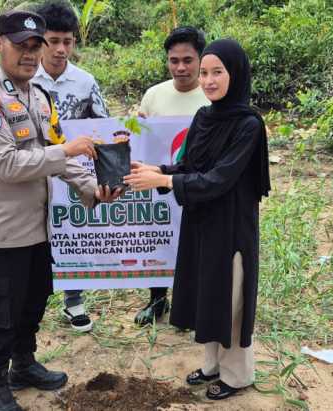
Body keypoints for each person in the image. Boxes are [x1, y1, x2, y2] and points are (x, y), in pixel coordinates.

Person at [0, 10, 120, 411]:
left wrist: (93, 191)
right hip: (2, 231)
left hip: (37, 226)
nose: (30, 55)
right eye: (21, 46)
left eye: (36, 46)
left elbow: (59, 160)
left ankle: (24, 364)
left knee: (32, 301)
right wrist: (64, 149)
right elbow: (9, 165)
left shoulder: (38, 96)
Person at [124, 39, 270, 401]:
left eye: (216, 72)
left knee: (231, 298)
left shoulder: (248, 124)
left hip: (232, 225)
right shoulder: (204, 117)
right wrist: (160, 169)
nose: (207, 80)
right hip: (202, 220)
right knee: (208, 293)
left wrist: (164, 180)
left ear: (235, 74)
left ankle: (237, 374)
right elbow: (192, 166)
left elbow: (220, 178)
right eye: (204, 72)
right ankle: (212, 364)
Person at [32, 0, 109, 333]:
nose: (62, 49)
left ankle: (73, 299)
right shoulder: (24, 78)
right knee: (35, 236)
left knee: (70, 232)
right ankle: (32, 301)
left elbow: (104, 125)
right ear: (40, 41)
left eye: (68, 41)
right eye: (54, 41)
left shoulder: (85, 82)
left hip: (74, 173)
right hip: (33, 171)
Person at [132, 27, 210, 326]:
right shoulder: (154, 94)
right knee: (159, 238)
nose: (180, 67)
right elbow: (142, 136)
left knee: (198, 241)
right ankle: (157, 299)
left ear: (200, 59)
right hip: (159, 182)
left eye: (188, 60)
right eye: (173, 60)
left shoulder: (211, 93)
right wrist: (136, 123)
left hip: (197, 183)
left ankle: (195, 305)